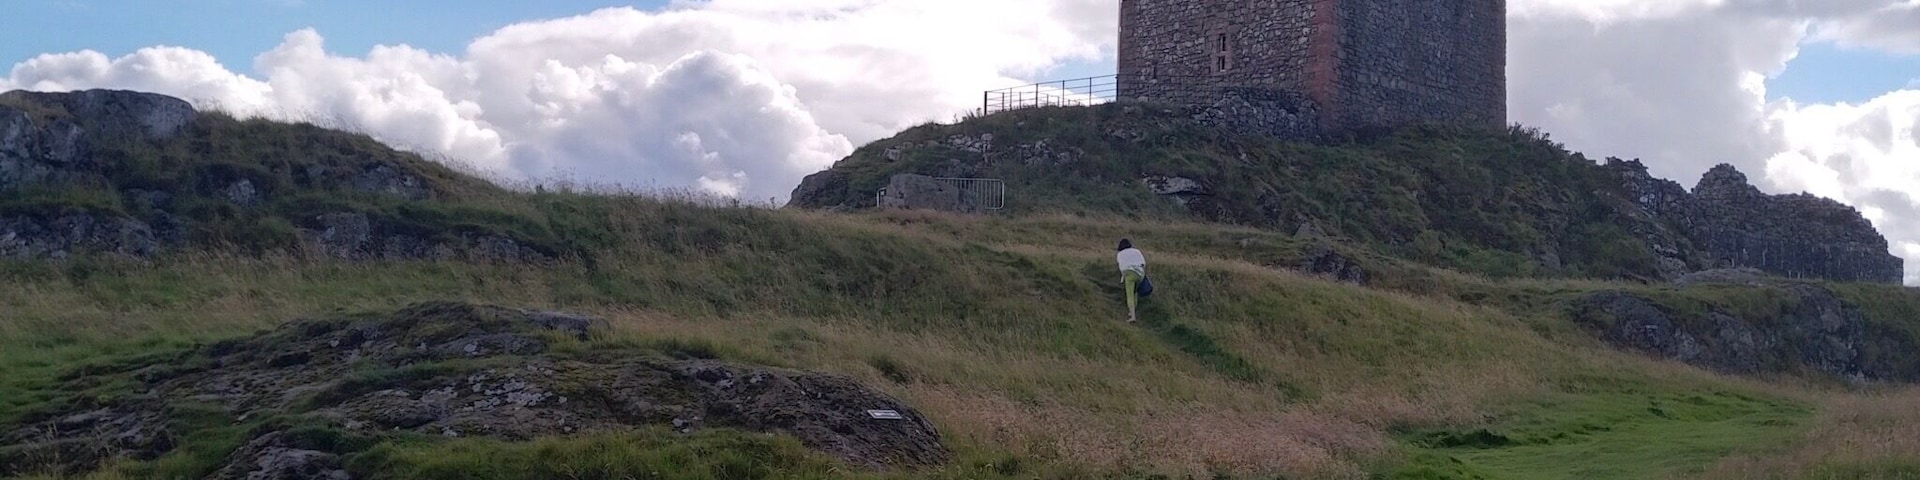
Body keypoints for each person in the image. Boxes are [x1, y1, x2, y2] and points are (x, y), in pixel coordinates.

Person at [1116, 238, 1148, 323]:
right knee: (1135, 291)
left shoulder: (1120, 254)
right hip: (1140, 273)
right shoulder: (1137, 251)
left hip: (1129, 273)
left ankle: (1132, 316)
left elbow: (1121, 267)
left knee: (1130, 294)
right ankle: (1132, 311)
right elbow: (1143, 263)